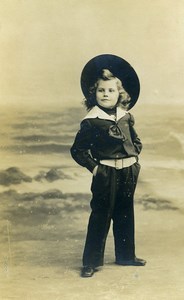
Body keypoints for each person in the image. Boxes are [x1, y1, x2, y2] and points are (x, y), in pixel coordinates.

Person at [70, 54, 146, 278]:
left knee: (125, 213)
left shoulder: (126, 116)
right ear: (93, 94)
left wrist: (133, 158)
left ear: (120, 94)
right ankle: (91, 262)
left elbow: (136, 140)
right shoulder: (91, 121)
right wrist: (95, 168)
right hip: (106, 172)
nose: (106, 94)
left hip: (129, 171)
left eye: (111, 91)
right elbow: (78, 150)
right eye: (101, 90)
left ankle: (126, 256)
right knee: (101, 215)